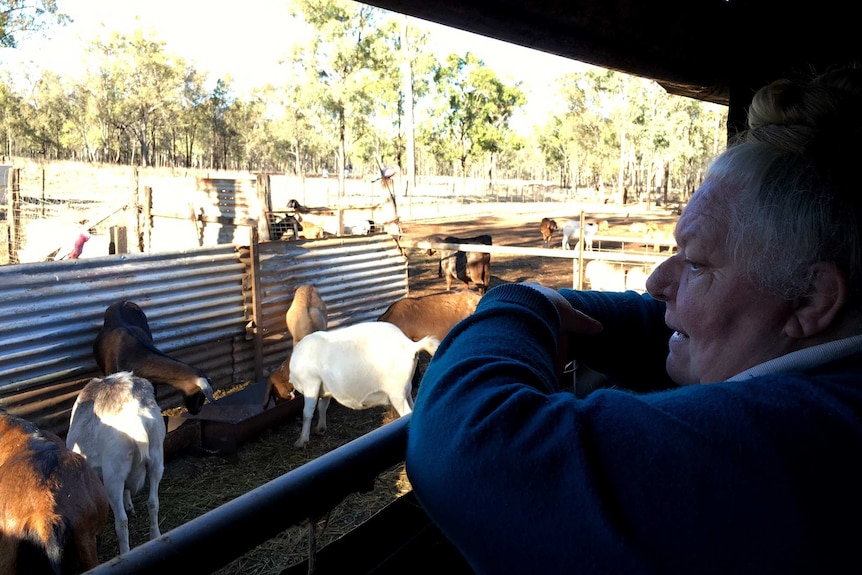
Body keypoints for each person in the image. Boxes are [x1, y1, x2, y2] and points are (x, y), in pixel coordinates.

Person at [406, 63, 862, 574]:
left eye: (696, 263)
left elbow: (468, 447)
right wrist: (542, 300)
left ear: (809, 299)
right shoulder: (830, 369)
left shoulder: (799, 449)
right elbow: (663, 323)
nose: (655, 284)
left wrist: (514, 305)